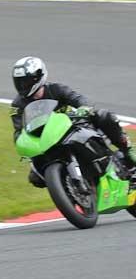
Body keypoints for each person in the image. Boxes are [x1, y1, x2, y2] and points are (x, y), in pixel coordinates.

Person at [10, 56, 135, 187]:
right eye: (19, 82)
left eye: (26, 81)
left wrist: (84, 109)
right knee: (36, 178)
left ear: (38, 76)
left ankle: (127, 151)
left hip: (72, 126)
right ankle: (71, 192)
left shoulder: (56, 89)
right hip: (46, 140)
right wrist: (22, 142)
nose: (22, 85)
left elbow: (78, 99)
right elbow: (19, 131)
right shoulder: (17, 105)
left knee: (104, 116)